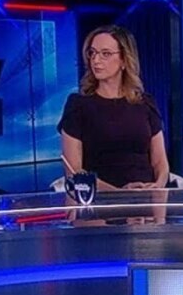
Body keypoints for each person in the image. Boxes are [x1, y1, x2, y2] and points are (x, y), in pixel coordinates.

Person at [57, 25, 170, 191]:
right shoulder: (78, 106)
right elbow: (74, 172)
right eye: (92, 53)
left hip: (147, 199)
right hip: (101, 201)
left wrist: (157, 187)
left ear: (124, 60)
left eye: (105, 54)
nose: (96, 60)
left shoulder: (145, 103)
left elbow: (160, 162)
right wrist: (119, 193)